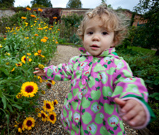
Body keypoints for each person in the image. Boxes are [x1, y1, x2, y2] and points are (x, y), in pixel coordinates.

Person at [33, 4, 156, 135]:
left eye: (104, 33)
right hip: (74, 121)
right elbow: (64, 70)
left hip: (102, 128)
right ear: (83, 37)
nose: (95, 37)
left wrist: (134, 99)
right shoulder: (77, 61)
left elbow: (127, 82)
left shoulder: (116, 65)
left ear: (114, 40)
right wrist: (47, 72)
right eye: (90, 32)